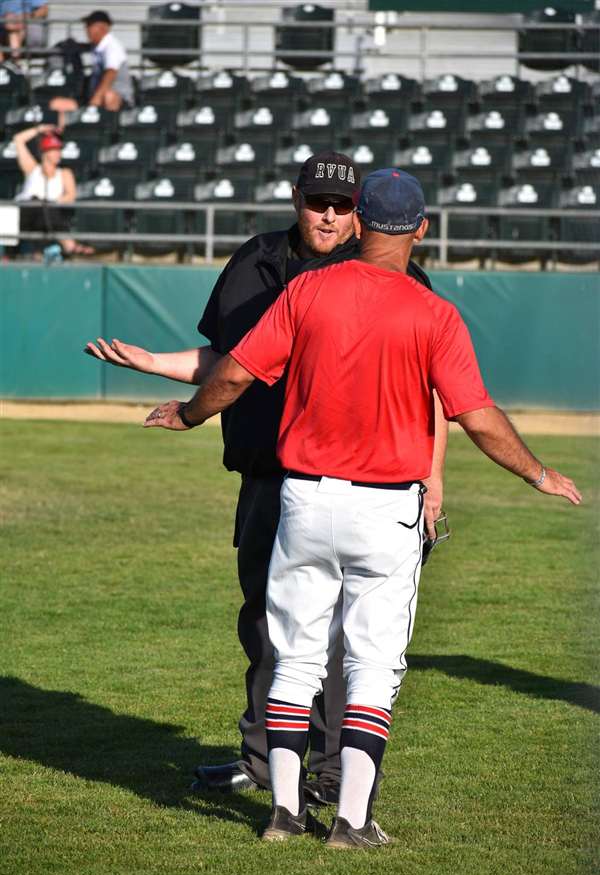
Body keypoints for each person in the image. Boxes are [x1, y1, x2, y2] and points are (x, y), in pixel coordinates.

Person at [143, 167, 581, 848]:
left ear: (360, 221)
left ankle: (284, 813)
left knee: (293, 657)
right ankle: (351, 821)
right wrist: (537, 473)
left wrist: (190, 416)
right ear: (422, 230)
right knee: (372, 665)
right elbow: (477, 416)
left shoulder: (306, 289)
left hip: (305, 500)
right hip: (386, 510)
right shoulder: (432, 311)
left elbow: (232, 372)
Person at [85, 152, 447, 805]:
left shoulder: (393, 277)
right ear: (296, 198)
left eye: (343, 206)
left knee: (348, 636)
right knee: (266, 624)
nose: (330, 216)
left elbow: (432, 388)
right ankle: (261, 761)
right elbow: (230, 362)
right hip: (266, 474)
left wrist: (433, 478)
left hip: (356, 483)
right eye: (319, 203)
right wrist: (152, 363)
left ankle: (334, 771)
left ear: (362, 213)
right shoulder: (258, 261)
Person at [14, 124, 93, 257]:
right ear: (45, 152)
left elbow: (71, 196)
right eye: (54, 150)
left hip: (50, 217)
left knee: (46, 207)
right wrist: (40, 129)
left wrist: (51, 202)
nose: (58, 154)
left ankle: (41, 253)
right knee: (36, 202)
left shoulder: (64, 173)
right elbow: (18, 139)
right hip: (26, 215)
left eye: (59, 150)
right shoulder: (32, 169)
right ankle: (69, 245)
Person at [50, 9, 133, 122]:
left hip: (117, 98)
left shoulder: (112, 47)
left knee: (108, 96)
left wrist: (96, 98)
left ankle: (110, 134)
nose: (86, 29)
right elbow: (86, 47)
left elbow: (111, 73)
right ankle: (65, 138)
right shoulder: (98, 44)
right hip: (92, 97)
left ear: (102, 27)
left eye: (89, 25)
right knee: (57, 104)